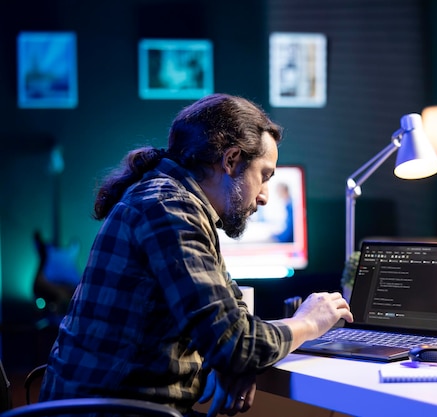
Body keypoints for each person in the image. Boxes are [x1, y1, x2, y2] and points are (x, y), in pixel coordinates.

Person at [38, 93, 353, 417]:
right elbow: (237, 345)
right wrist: (309, 322)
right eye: (264, 175)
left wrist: (234, 361)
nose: (264, 196)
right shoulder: (169, 209)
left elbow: (231, 328)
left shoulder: (172, 199)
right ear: (231, 161)